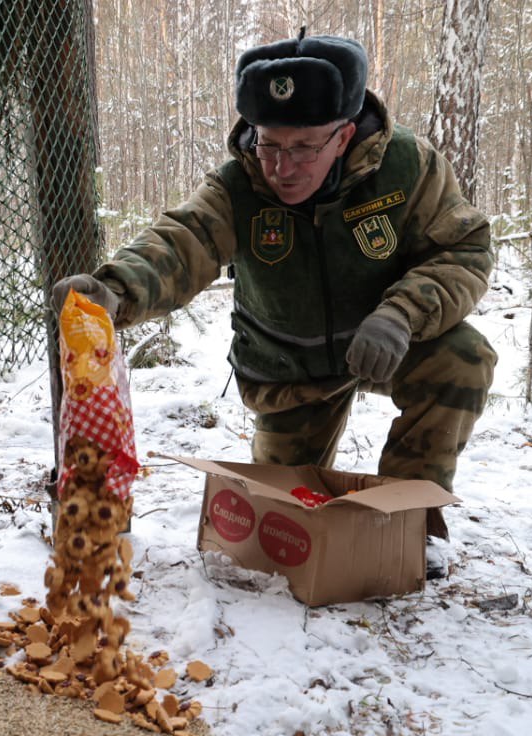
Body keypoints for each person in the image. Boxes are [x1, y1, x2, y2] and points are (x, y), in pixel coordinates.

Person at [52, 30, 496, 513]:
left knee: (462, 357)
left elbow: (464, 250)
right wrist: (115, 290)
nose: (283, 168)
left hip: (387, 345)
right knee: (280, 520)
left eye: (305, 147)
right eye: (270, 145)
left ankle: (408, 518)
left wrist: (401, 314)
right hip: (288, 372)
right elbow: (183, 243)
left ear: (344, 135)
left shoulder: (408, 167)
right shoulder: (239, 183)